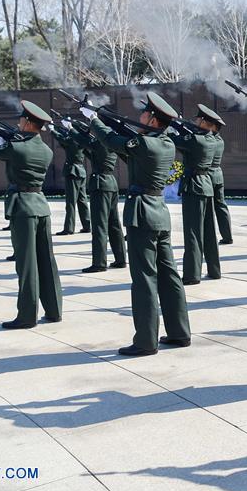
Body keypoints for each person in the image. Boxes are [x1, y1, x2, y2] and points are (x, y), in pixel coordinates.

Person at [84, 93, 191, 356]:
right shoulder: (164, 143)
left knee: (144, 278)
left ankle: (145, 341)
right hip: (159, 214)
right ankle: (179, 332)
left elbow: (111, 140)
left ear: (153, 119)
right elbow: (130, 155)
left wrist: (94, 121)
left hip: (142, 214)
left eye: (145, 113)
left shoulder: (145, 143)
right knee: (169, 276)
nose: (140, 116)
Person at [0, 101, 62, 329]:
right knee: (47, 261)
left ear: (27, 122)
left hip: (23, 208)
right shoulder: (45, 150)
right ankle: (54, 310)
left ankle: (26, 316)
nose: (18, 122)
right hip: (41, 206)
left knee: (26, 264)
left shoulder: (17, 147)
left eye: (21, 119)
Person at [168, 114, 220, 285]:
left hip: (194, 187)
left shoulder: (195, 140)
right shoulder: (212, 139)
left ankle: (192, 275)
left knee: (193, 233)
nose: (195, 121)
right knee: (209, 232)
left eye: (198, 119)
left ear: (204, 122)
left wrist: (170, 124)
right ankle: (214, 270)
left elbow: (174, 140)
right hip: (206, 185)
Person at [69, 121, 126, 273]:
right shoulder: (110, 142)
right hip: (110, 184)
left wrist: (70, 130)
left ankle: (99, 263)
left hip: (101, 185)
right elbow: (90, 151)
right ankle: (120, 259)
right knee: (114, 224)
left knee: (99, 225)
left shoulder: (103, 142)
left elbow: (85, 142)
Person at [52, 119, 91, 235]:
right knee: (82, 200)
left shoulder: (73, 140)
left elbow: (62, 140)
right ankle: (87, 225)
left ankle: (69, 228)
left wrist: (53, 131)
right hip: (80, 172)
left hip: (72, 172)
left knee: (70, 202)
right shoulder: (81, 140)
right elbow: (65, 145)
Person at [203, 106, 233, 245]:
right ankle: (227, 236)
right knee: (221, 206)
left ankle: (207, 237)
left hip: (208, 175)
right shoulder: (219, 140)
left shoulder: (209, 140)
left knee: (207, 209)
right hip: (218, 174)